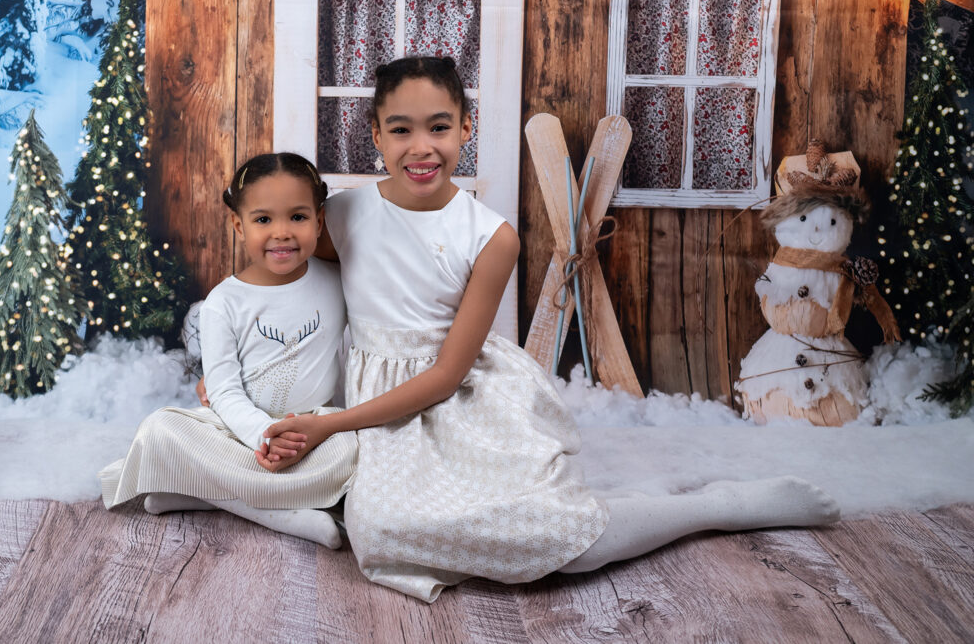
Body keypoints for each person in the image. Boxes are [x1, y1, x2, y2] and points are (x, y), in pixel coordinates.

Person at [262, 56, 841, 602]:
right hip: (369, 400)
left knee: (557, 543)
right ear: (375, 135)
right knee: (373, 521)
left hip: (453, 399)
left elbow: (444, 376)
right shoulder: (339, 215)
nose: (421, 148)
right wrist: (242, 375)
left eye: (439, 127)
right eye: (400, 130)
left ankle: (716, 507)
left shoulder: (490, 236)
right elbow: (285, 293)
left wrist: (330, 425)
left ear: (467, 128)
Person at [100, 153, 356, 549]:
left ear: (319, 221)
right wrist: (262, 437)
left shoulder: (338, 282)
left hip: (308, 434)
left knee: (353, 445)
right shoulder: (224, 302)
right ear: (239, 225)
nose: (282, 232)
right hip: (239, 433)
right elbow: (222, 390)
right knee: (160, 429)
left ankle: (206, 493)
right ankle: (283, 513)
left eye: (298, 217)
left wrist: (300, 435)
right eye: (263, 219)